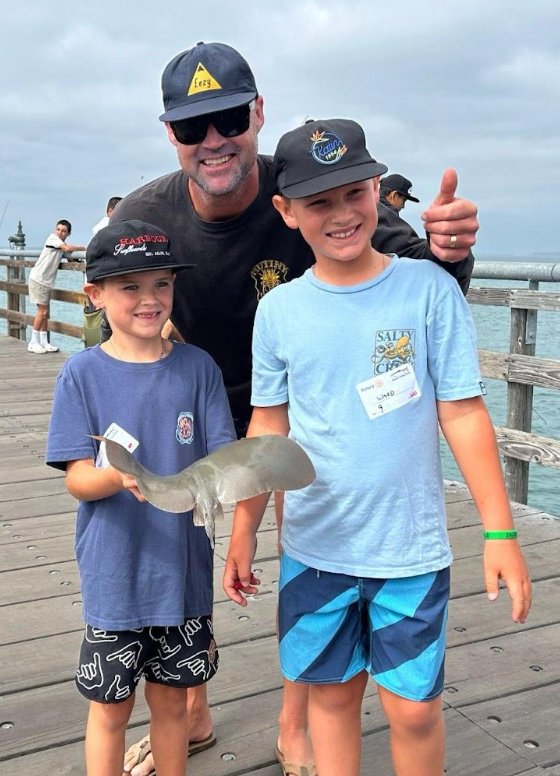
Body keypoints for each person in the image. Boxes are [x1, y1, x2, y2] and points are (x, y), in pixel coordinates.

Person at [111, 42, 480, 776]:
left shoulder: (310, 181)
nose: (213, 141)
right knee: (184, 540)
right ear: (171, 136)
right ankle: (190, 705)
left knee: (305, 541)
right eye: (192, 128)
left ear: (255, 114)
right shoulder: (148, 210)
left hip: (294, 401)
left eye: (226, 120)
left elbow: (408, 272)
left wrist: (450, 252)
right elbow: (116, 301)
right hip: (195, 393)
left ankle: (298, 720)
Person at [223, 118, 532, 776]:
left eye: (353, 193)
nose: (341, 215)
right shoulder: (278, 311)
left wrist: (500, 532)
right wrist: (245, 528)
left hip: (411, 551)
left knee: (415, 707)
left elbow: (464, 410)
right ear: (285, 212)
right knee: (332, 700)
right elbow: (267, 429)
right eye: (318, 202)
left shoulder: (429, 290)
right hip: (315, 548)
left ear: (376, 190)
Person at [46, 220, 236, 776]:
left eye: (162, 284)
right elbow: (76, 479)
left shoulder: (198, 368)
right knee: (109, 707)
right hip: (115, 574)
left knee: (172, 703)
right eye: (130, 287)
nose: (149, 299)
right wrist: (118, 477)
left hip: (183, 575)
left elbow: (222, 460)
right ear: (95, 295)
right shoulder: (80, 374)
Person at [28, 219, 85, 354]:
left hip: (45, 281)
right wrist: (84, 248)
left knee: (45, 312)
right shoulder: (53, 239)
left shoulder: (60, 244)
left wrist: (76, 260)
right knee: (42, 312)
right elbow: (67, 249)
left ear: (68, 233)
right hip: (38, 279)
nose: (60, 232)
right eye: (58, 229)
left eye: (63, 231)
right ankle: (33, 342)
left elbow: (69, 255)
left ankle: (44, 342)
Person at [84, 197, 124, 347]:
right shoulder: (109, 226)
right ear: (110, 211)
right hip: (104, 282)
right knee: (106, 322)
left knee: (100, 321)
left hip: (96, 281)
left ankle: (99, 351)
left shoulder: (100, 227)